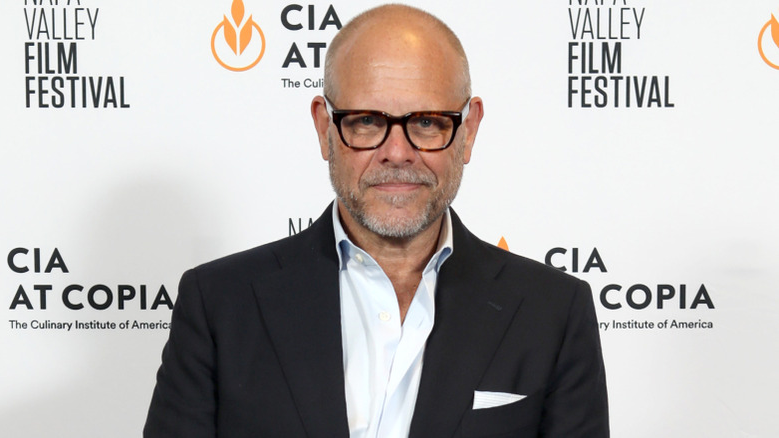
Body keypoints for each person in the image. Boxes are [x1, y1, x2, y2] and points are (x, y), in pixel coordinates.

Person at [144, 4, 608, 437]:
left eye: (427, 122)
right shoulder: (219, 305)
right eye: (366, 121)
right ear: (324, 128)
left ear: (468, 132)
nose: (397, 152)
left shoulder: (553, 312)